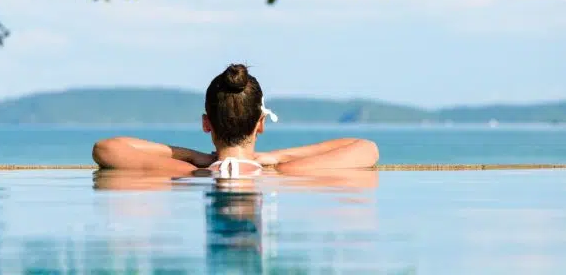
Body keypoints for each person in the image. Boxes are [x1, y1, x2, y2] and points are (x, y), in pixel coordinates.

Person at [91, 64, 379, 176]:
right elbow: (366, 148)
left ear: (207, 124)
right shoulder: (287, 172)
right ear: (261, 124)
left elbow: (106, 148)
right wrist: (279, 157)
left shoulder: (187, 172)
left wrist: (192, 156)